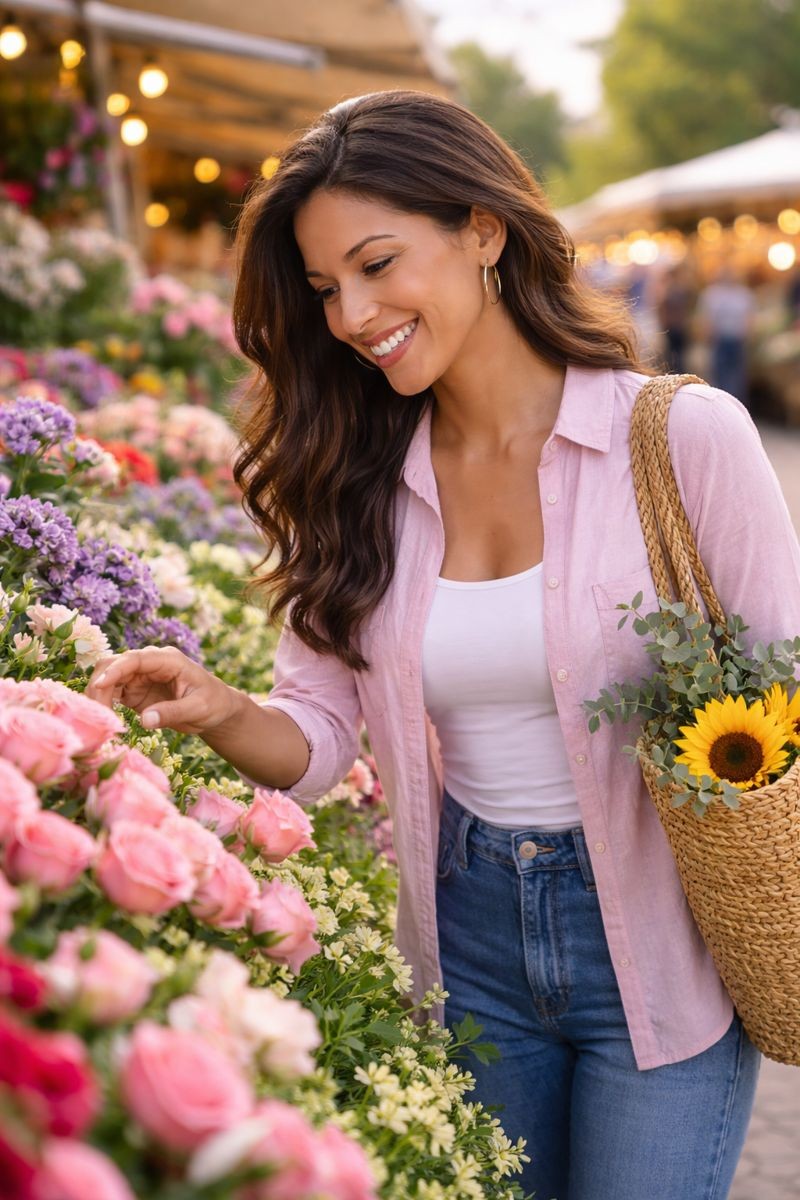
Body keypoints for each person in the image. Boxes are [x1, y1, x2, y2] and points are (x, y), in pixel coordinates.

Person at [87, 90, 800, 1200]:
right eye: (326, 289)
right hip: (463, 949)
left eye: (376, 265)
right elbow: (320, 738)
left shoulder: (678, 440)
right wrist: (222, 706)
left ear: (482, 230)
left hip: (664, 949)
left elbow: (785, 696)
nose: (351, 315)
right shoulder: (361, 481)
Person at [697, 265, 756, 406]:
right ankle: (721, 404)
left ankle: (737, 404)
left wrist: (748, 333)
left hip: (737, 339)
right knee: (720, 374)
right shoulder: (712, 294)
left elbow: (749, 317)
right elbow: (706, 317)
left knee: (737, 376)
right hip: (720, 339)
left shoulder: (744, 294)